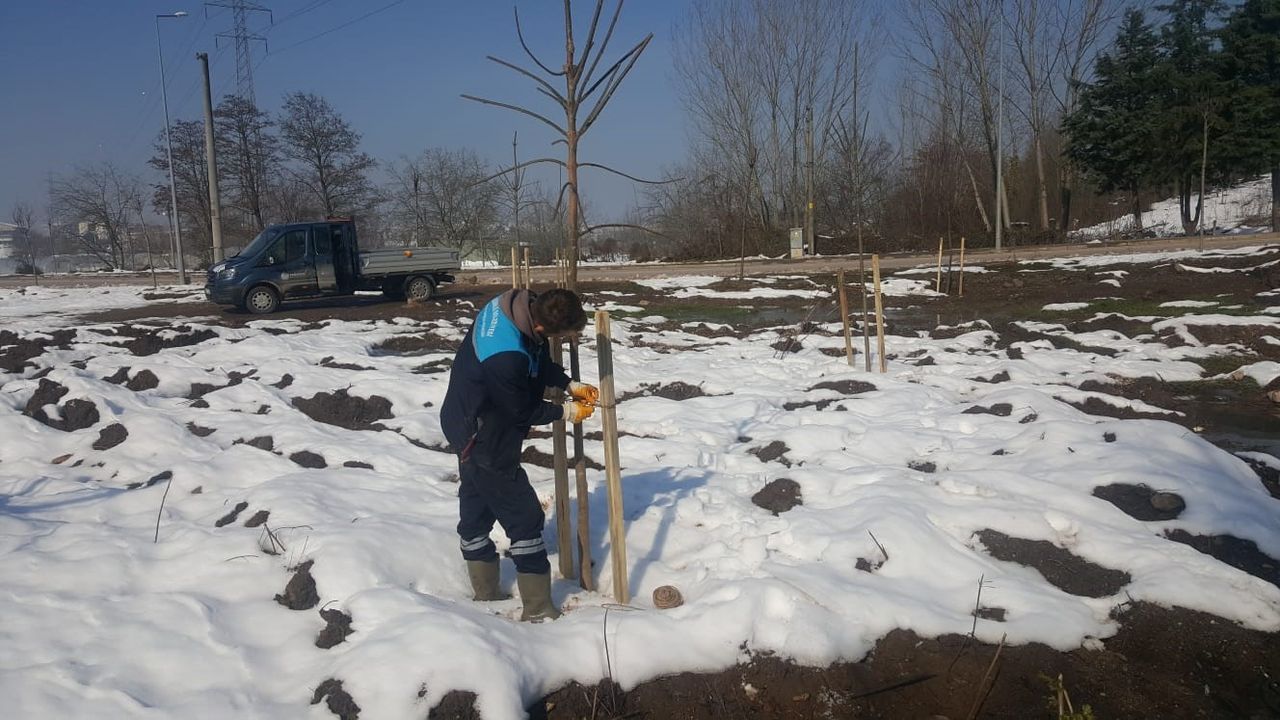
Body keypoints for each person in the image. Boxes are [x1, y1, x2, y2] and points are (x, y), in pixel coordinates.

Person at [439, 287, 598, 621]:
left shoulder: (518, 306)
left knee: (477, 504)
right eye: (560, 336)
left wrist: (567, 383)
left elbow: (535, 358)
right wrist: (566, 412)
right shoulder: (506, 356)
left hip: (469, 418)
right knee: (523, 517)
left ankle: (485, 592)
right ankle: (539, 609)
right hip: (482, 437)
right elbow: (520, 409)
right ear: (541, 327)